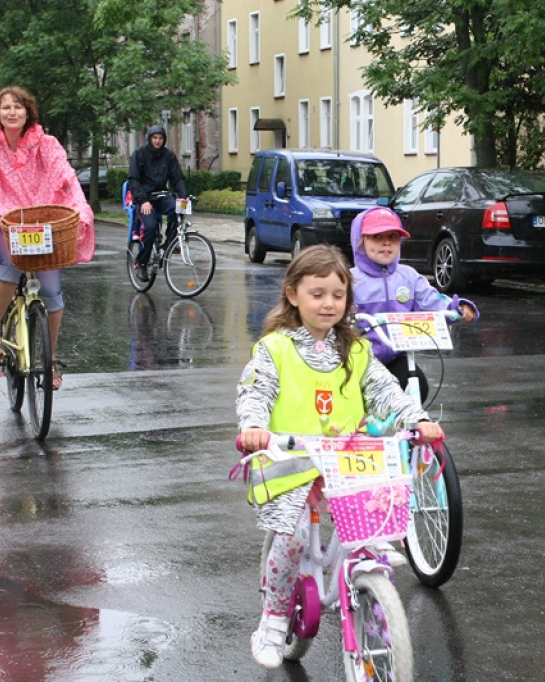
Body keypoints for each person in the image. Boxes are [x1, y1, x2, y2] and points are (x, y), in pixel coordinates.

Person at [236, 244, 444, 670]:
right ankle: (273, 620)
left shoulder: (356, 349)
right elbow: (255, 391)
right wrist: (254, 426)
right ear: (293, 294)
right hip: (290, 463)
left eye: (337, 294)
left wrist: (417, 418)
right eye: (317, 294)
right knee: (293, 536)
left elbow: (385, 391)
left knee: (373, 520)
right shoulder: (274, 348)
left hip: (346, 462)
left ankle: (368, 580)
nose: (328, 303)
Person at [0, 85, 95, 390]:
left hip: (39, 225)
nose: (12, 112)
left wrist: (79, 208)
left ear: (28, 112)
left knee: (52, 292)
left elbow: (66, 177)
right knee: (8, 261)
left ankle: (50, 358)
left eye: (18, 106)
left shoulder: (47, 144)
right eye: (6, 107)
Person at [350, 206, 479, 401]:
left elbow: (431, 300)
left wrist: (455, 308)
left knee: (417, 385)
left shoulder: (408, 277)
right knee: (362, 395)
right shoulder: (350, 280)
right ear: (360, 242)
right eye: (376, 236)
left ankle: (406, 419)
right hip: (361, 358)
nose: (386, 242)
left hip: (396, 356)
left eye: (393, 236)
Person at [127, 125, 187, 282]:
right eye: (155, 138)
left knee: (178, 208)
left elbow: (177, 178)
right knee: (151, 227)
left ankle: (170, 243)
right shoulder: (139, 154)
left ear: (164, 139)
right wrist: (143, 200)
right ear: (150, 139)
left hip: (161, 195)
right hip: (144, 198)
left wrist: (183, 196)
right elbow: (134, 180)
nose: (157, 141)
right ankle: (142, 263)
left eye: (160, 138)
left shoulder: (169, 156)